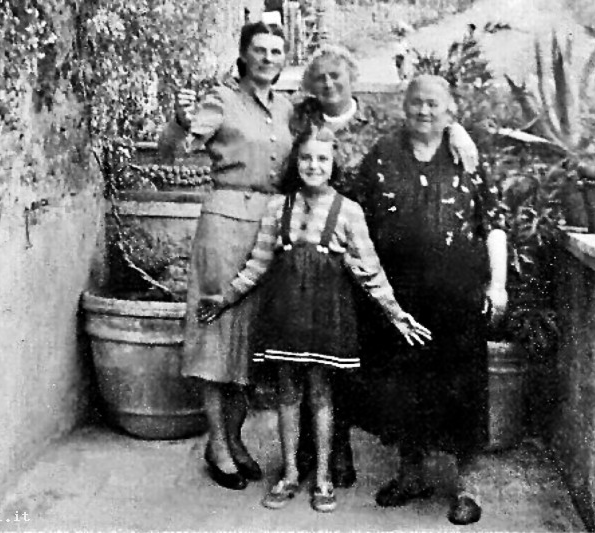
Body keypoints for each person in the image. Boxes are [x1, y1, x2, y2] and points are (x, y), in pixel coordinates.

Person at [197, 126, 432, 513]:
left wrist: (395, 313)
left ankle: (323, 476)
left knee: (321, 392)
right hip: (286, 313)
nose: (313, 165)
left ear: (333, 163)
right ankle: (289, 472)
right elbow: (258, 264)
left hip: (326, 314)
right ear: (296, 162)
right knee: (287, 392)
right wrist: (225, 298)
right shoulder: (278, 207)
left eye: (322, 159)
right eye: (306, 158)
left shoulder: (348, 210)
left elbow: (369, 269)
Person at [288, 44, 481, 489]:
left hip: (365, 255)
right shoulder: (298, 121)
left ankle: (351, 450)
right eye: (320, 77)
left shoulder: (376, 125)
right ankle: (321, 451)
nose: (329, 84)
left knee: (356, 358)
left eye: (336, 75)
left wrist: (455, 128)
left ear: (352, 78)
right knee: (315, 353)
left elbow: (426, 121)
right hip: (316, 245)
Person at [351, 75, 508, 525]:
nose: (424, 110)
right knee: (404, 385)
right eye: (416, 102)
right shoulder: (383, 154)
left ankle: (467, 486)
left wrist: (497, 285)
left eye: (434, 104)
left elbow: (493, 223)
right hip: (401, 297)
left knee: (463, 387)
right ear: (404, 106)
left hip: (458, 295)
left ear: (449, 109)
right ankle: (411, 473)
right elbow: (356, 219)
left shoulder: (466, 156)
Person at [160, 21, 293, 491]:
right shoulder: (221, 98)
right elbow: (172, 150)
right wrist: (179, 121)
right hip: (226, 225)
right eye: (260, 49)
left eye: (276, 51)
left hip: (271, 227)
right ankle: (217, 443)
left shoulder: (287, 107)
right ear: (244, 55)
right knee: (217, 334)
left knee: (250, 340)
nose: (268, 58)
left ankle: (235, 439)